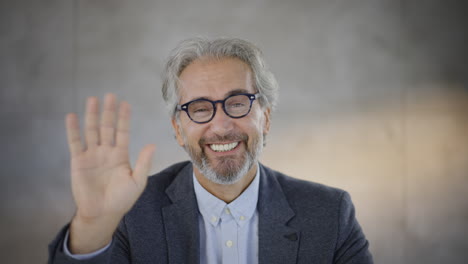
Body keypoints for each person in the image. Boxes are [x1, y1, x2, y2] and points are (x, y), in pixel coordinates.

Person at [48, 37, 373, 264]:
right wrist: (92, 225)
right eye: (200, 108)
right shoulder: (127, 212)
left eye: (237, 103)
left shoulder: (330, 213)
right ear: (178, 129)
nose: (221, 126)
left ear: (266, 117)